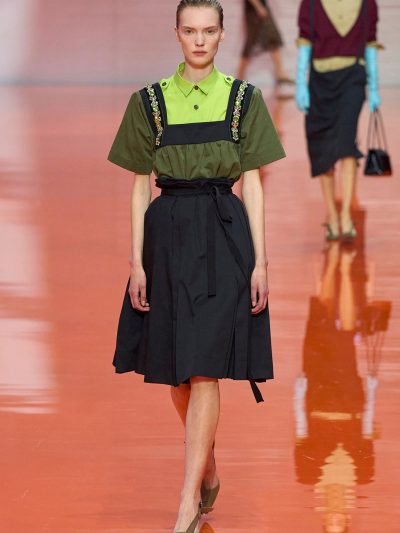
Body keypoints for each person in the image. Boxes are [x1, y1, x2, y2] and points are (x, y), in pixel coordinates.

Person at [107, 1, 285, 531]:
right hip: (167, 237)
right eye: (191, 31)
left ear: (224, 34)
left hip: (224, 235)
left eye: (209, 31)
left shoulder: (244, 99)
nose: (200, 40)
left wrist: (261, 261)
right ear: (177, 34)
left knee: (205, 367)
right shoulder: (149, 101)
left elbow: (254, 183)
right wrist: (136, 262)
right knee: (177, 372)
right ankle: (206, 465)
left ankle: (187, 501)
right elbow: (139, 185)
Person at [295, 0, 382, 242]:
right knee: (323, 148)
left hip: (352, 79)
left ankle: (345, 216)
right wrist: (300, 83)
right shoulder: (310, 4)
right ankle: (332, 216)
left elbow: (370, 44)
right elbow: (305, 44)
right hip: (319, 82)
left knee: (346, 144)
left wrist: (374, 86)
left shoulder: (367, 3)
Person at [237, 0, 293, 86]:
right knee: (251, 42)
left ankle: (280, 73)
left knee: (273, 39)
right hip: (255, 10)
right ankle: (240, 76)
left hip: (260, 8)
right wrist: (259, 7)